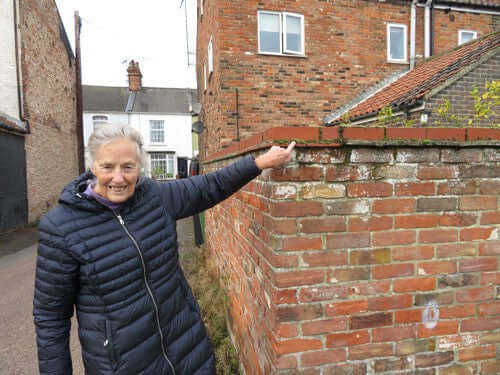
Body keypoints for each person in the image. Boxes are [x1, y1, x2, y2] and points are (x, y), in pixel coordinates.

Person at [33, 124, 295, 375]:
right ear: (92, 167)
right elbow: (50, 319)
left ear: (139, 167)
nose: (118, 177)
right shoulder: (61, 227)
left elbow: (210, 186)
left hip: (188, 349)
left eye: (128, 167)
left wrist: (259, 163)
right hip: (124, 366)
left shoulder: (154, 197)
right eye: (107, 167)